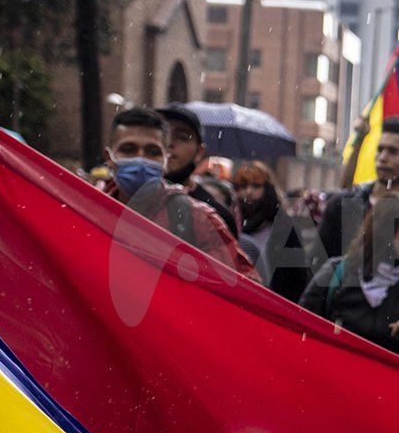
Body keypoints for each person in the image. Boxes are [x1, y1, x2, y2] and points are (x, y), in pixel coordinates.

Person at [300, 195, 399, 372]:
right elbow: (298, 325)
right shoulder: (336, 272)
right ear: (387, 229)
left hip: (391, 392)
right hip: (335, 384)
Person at [102, 107, 256, 279]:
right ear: (109, 157)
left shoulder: (200, 220)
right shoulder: (88, 208)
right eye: (129, 150)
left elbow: (244, 290)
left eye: (153, 152)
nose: (141, 159)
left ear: (166, 159)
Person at [312, 116, 399, 271]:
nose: (383, 158)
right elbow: (316, 266)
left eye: (393, 151)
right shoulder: (343, 204)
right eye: (380, 149)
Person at [233, 161, 311, 302]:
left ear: (267, 188)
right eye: (243, 186)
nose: (249, 192)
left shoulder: (285, 227)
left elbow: (296, 277)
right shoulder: (232, 222)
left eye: (256, 186)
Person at [157, 104, 238, 237]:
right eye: (162, 134)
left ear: (199, 152)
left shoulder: (216, 216)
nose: (169, 142)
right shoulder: (123, 196)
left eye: (181, 137)